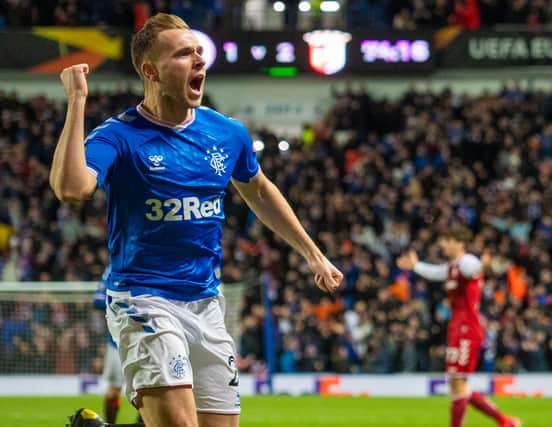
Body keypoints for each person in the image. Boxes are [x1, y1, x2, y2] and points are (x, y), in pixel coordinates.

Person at [50, 12, 343, 427]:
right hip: (143, 300)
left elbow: (258, 189)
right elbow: (71, 188)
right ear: (150, 70)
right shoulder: (119, 135)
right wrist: (77, 101)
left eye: (199, 52)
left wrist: (312, 254)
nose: (199, 61)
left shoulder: (226, 133)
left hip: (206, 304)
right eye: (184, 54)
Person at [397, 226, 520, 427]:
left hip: (468, 328)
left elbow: (472, 268)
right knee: (457, 383)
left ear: (460, 243)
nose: (443, 244)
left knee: (457, 381)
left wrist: (483, 266)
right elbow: (437, 272)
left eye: (448, 240)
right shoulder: (453, 266)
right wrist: (416, 266)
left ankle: (499, 421)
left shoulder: (467, 261)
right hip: (457, 326)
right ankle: (505, 421)